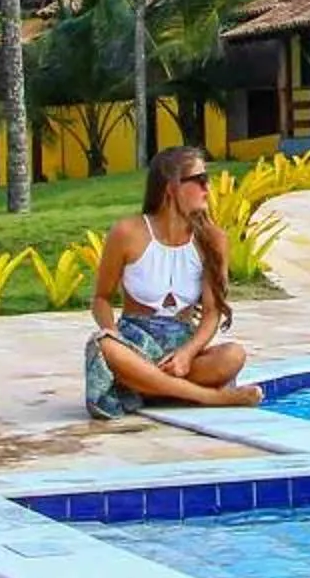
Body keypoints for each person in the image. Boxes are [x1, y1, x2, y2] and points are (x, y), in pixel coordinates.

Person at [84, 146, 262, 420]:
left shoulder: (213, 240)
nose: (207, 188)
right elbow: (101, 299)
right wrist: (113, 333)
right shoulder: (127, 233)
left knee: (233, 356)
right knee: (103, 345)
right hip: (135, 347)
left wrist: (187, 355)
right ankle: (210, 397)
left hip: (181, 353)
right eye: (199, 180)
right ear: (172, 188)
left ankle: (147, 387)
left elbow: (212, 313)